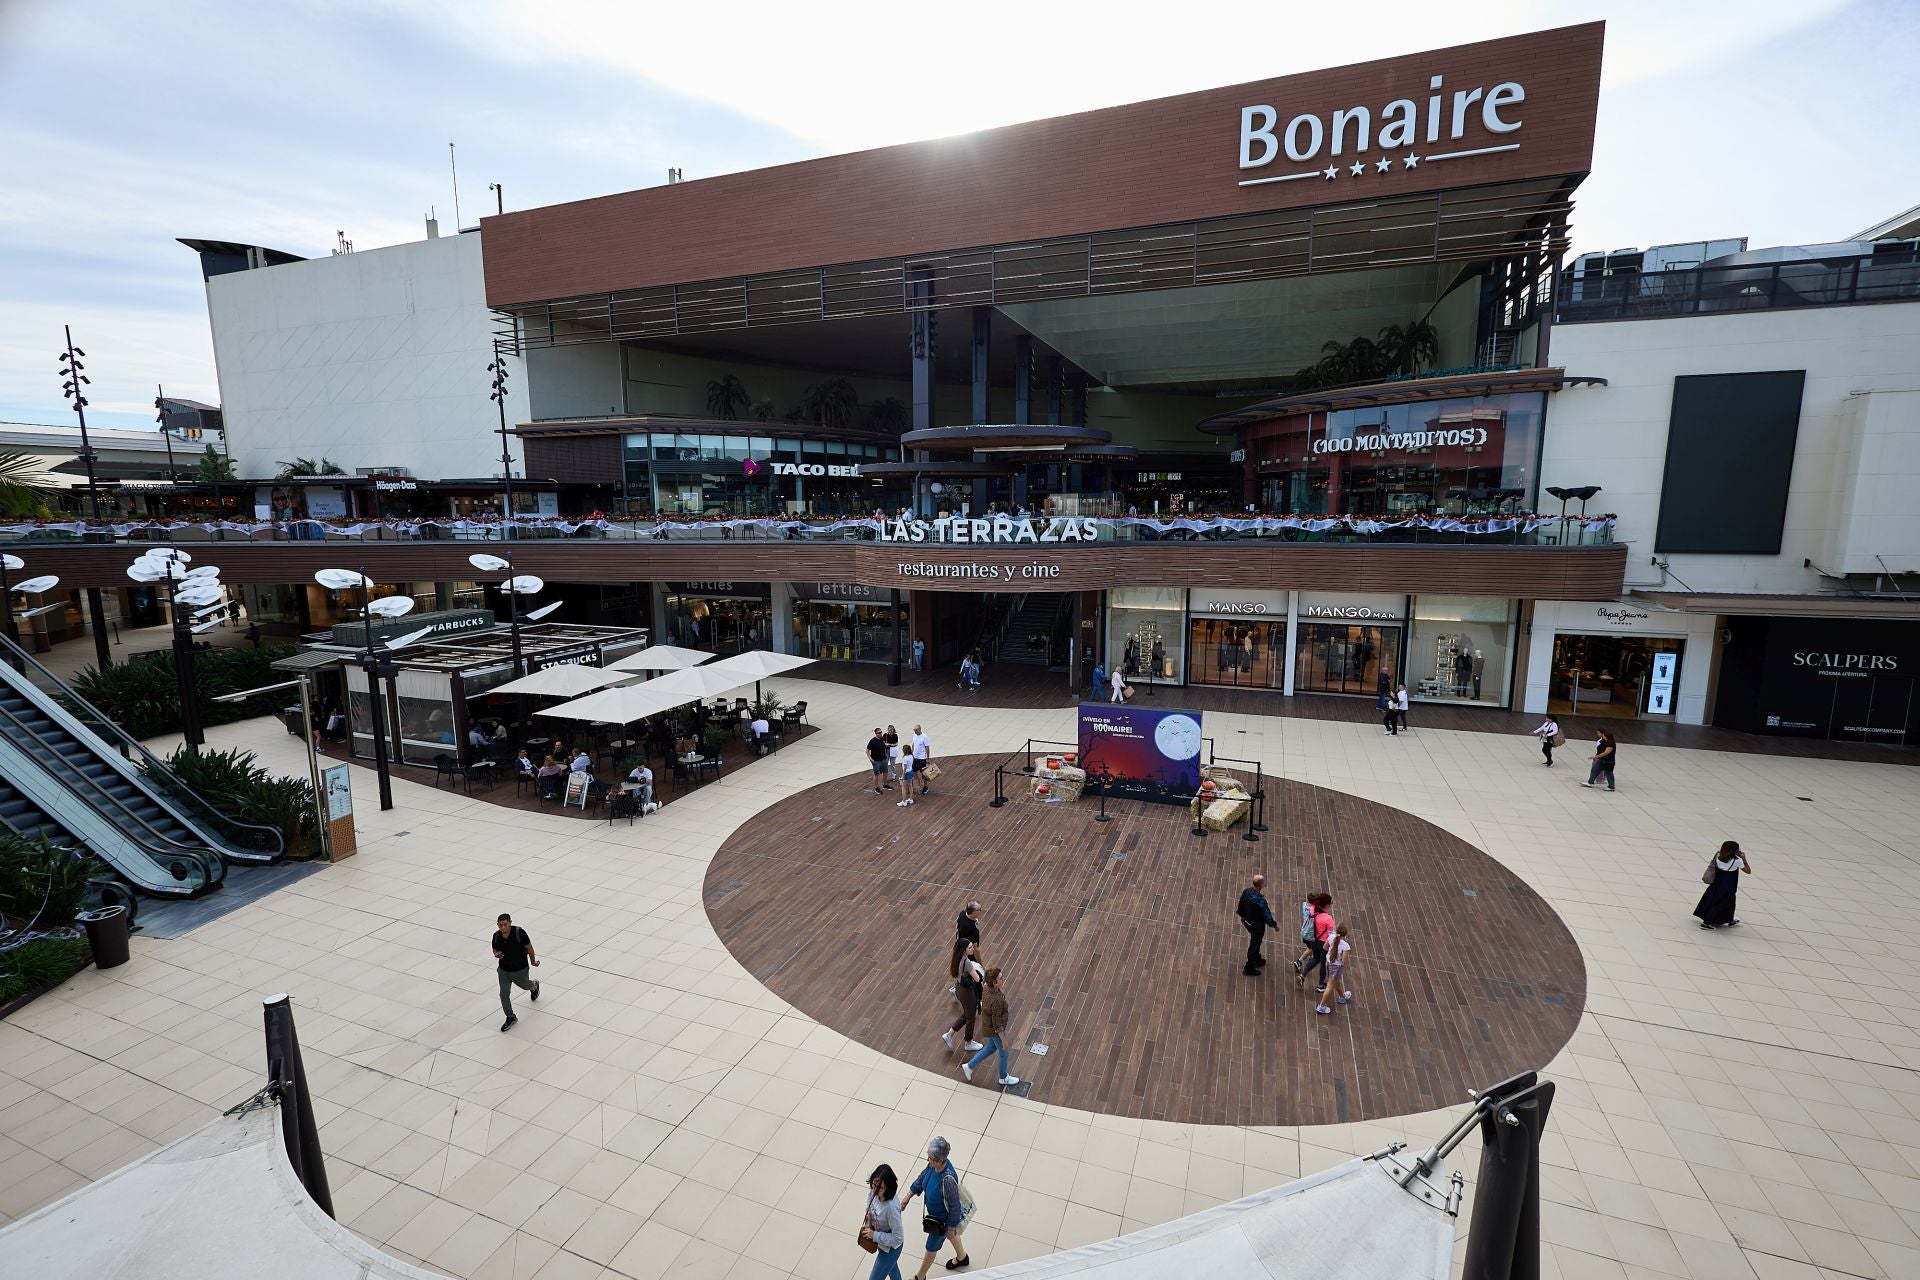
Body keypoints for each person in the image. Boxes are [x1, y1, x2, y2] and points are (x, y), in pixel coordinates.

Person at [902, 1138, 971, 1278]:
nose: (928, 1160)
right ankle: (963, 1258)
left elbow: (955, 1207)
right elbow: (922, 1177)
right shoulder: (933, 1166)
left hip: (942, 1220)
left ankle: (920, 1276)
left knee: (931, 1247)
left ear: (940, 1160)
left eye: (931, 1158)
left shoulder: (948, 1180)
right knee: (951, 1236)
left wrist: (951, 1227)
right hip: (937, 1215)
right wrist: (908, 1196)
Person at [961, 967, 1019, 1087]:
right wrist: (1003, 1040)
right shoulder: (996, 1000)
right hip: (994, 1030)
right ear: (994, 982)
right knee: (1004, 1053)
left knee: (990, 1048)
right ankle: (1003, 1077)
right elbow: (997, 1023)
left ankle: (969, 1066)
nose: (1004, 979)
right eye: (1001, 978)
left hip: (987, 1027)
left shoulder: (987, 988)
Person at [491, 913, 540, 1032]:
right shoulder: (496, 936)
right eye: (500, 925)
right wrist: (496, 954)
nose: (503, 927)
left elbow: (529, 948)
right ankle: (510, 1017)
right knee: (503, 994)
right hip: (504, 971)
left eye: (505, 924)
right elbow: (494, 948)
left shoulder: (519, 933)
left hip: (520, 970)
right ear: (497, 925)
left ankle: (534, 986)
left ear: (510, 923)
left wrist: (533, 962)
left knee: (525, 986)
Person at [861, 1164, 906, 1280]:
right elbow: (869, 1205)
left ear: (888, 1188)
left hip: (891, 1249)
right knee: (892, 1270)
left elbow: (898, 1238)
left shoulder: (891, 1208)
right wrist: (869, 1221)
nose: (875, 1191)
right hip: (882, 1243)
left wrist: (874, 1235)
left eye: (880, 1188)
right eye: (874, 1185)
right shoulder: (873, 1191)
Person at [1693, 841, 1751, 930]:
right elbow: (1748, 871)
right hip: (1729, 885)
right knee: (1724, 902)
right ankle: (1707, 923)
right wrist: (1744, 858)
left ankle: (1729, 919)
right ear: (1734, 851)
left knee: (1715, 900)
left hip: (1717, 882)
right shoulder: (1736, 861)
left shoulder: (1718, 855)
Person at [942, 939, 985, 1052]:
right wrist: (976, 969)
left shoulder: (956, 958)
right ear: (964, 950)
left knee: (967, 1014)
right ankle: (968, 1042)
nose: (972, 949)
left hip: (959, 988)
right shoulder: (967, 962)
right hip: (967, 992)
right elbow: (977, 978)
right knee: (971, 1017)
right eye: (970, 947)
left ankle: (949, 1034)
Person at [1237, 874, 1278, 976]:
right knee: (1254, 945)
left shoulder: (1246, 891)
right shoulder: (1260, 901)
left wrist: (1242, 917)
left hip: (1247, 922)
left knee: (1256, 942)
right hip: (1257, 927)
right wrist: (1274, 925)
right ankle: (1249, 967)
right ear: (1261, 885)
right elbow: (1267, 916)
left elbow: (1240, 905)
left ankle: (1256, 958)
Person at [1294, 893, 1334, 990]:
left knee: (1316, 958)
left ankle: (1302, 975)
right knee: (1323, 964)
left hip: (1313, 940)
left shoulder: (1312, 910)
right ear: (1327, 905)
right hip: (1324, 944)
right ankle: (1321, 985)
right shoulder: (1328, 919)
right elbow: (1332, 934)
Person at [1316, 923, 1354, 1014]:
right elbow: (1343, 960)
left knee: (1335, 981)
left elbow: (1325, 947)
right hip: (1337, 966)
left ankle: (1342, 997)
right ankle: (1321, 1006)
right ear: (1345, 935)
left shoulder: (1330, 937)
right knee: (1330, 985)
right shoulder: (1345, 946)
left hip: (1328, 963)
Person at [949, 901, 981, 997]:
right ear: (973, 912)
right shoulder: (972, 929)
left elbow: (957, 925)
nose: (981, 911)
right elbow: (976, 949)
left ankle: (956, 989)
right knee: (972, 973)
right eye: (979, 910)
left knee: (962, 971)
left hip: (961, 946)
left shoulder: (962, 914)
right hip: (968, 953)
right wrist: (980, 963)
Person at [866, 728, 890, 794]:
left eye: (881, 732)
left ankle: (885, 784)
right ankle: (876, 787)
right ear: (876, 733)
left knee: (885, 771)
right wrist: (870, 759)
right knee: (876, 774)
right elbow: (867, 751)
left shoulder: (882, 739)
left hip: (883, 759)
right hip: (876, 760)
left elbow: (884, 745)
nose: (880, 734)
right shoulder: (872, 741)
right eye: (879, 733)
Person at [910, 724, 931, 795]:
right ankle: (917, 785)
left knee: (924, 774)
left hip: (922, 758)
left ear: (919, 729)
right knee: (914, 772)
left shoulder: (924, 737)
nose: (915, 731)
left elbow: (927, 747)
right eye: (914, 730)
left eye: (916, 730)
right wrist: (911, 753)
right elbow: (913, 744)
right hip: (915, 758)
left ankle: (925, 787)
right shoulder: (914, 735)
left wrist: (927, 758)